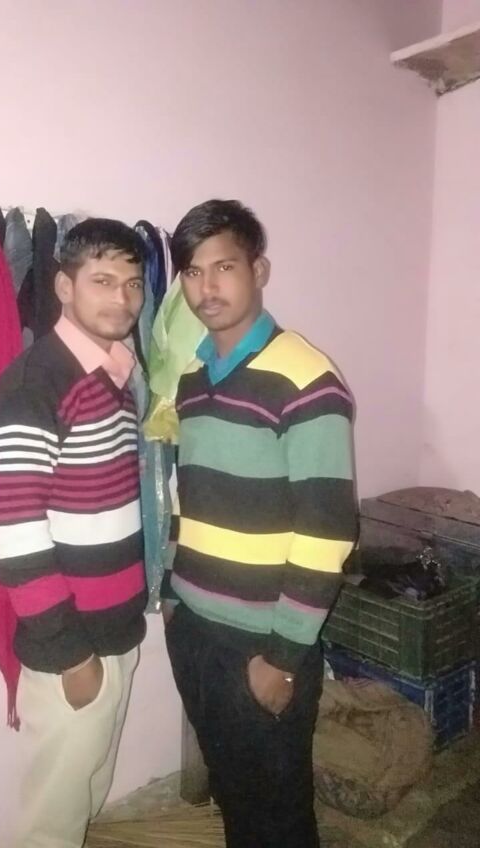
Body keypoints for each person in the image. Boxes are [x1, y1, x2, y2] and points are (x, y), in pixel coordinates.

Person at [161, 199, 358, 848]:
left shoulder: (306, 379)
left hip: (262, 642)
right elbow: (190, 495)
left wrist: (282, 656)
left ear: (259, 270)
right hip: (196, 630)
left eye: (224, 267)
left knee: (277, 815)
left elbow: (327, 532)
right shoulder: (192, 378)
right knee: (235, 794)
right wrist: (172, 594)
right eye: (193, 272)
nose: (207, 287)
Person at [0, 219, 148, 848]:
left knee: (88, 796)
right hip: (73, 648)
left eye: (133, 283)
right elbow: (14, 535)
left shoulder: (113, 372)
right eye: (103, 281)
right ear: (62, 286)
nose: (123, 299)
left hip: (115, 631)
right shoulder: (38, 383)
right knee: (51, 825)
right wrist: (72, 654)